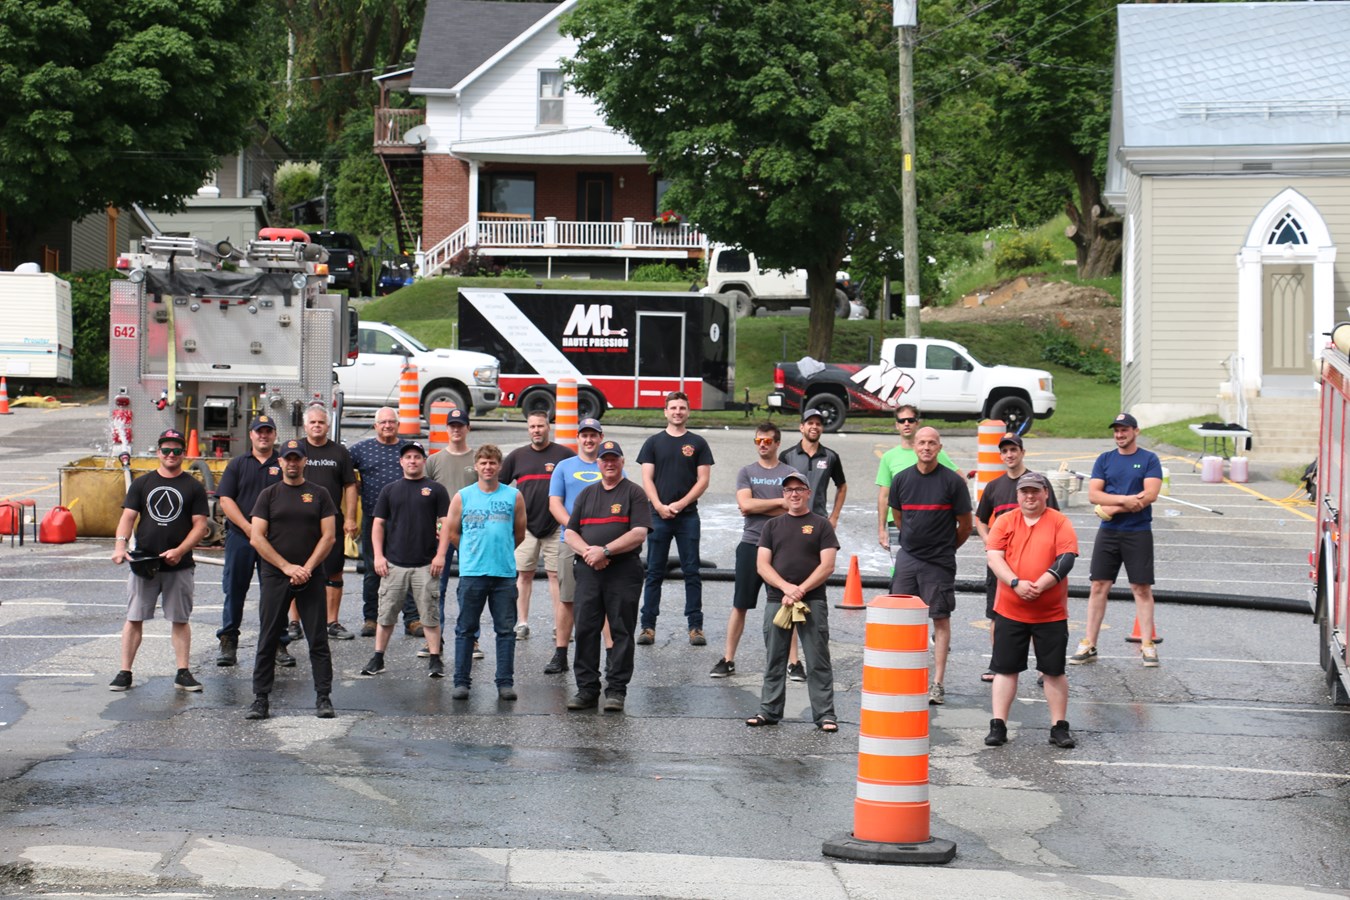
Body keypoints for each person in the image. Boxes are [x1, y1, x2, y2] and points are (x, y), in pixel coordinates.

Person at [108, 428, 210, 692]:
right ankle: (124, 672)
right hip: (145, 563)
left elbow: (200, 526)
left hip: (180, 565)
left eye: (177, 450)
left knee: (180, 619)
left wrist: (180, 550)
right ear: (158, 452)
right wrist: (120, 546)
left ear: (184, 454)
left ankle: (183, 672)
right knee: (134, 617)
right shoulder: (142, 484)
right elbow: (128, 518)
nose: (171, 455)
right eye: (166, 450)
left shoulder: (193, 486)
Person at [984, 471, 1080, 749]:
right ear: (1017, 495)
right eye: (1024, 492)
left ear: (1045, 493)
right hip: (1010, 610)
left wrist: (1039, 585)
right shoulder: (1005, 521)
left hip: (1050, 614)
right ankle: (998, 725)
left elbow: (1066, 559)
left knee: (1053, 671)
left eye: (1035, 491)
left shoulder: (1060, 522)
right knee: (1004, 670)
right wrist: (1015, 583)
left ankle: (1058, 727)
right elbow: (994, 556)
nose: (1030, 496)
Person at [245, 439, 338, 720]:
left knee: (317, 638)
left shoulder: (320, 494)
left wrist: (306, 568)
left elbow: (329, 536)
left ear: (305, 461)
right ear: (280, 462)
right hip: (276, 574)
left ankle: (324, 697)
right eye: (288, 458)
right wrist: (286, 567)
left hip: (310, 575)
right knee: (268, 636)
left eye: (298, 458)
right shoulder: (269, 495)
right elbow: (256, 537)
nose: (293, 463)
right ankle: (260, 699)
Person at [744, 471, 840, 732]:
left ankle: (825, 715)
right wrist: (786, 588)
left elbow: (828, 565)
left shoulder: (821, 525)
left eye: (799, 489)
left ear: (808, 493)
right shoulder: (772, 526)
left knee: (817, 658)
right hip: (779, 600)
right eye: (788, 490)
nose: (794, 494)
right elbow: (762, 565)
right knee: (775, 658)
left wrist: (801, 589)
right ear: (783, 495)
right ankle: (769, 710)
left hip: (813, 601)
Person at [564, 439, 652, 712]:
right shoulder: (587, 494)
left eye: (614, 459)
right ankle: (587, 689)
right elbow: (569, 532)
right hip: (589, 571)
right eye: (605, 459)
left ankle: (616, 690)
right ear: (598, 463)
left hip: (623, 571)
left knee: (621, 630)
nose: (609, 463)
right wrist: (590, 554)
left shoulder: (634, 493)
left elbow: (639, 533)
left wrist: (606, 551)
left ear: (622, 462)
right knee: (586, 629)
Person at [888, 426, 973, 705]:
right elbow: (899, 518)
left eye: (932, 443)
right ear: (914, 446)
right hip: (908, 558)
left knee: (940, 617)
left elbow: (965, 525)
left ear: (940, 447)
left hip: (939, 560)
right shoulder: (901, 480)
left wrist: (946, 548)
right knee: (900, 618)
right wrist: (913, 544)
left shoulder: (953, 482)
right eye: (921, 442)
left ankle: (937, 683)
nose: (926, 447)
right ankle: (902, 676)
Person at [1072, 413, 1164, 668]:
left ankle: (1147, 644)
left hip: (1138, 531)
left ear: (1136, 431)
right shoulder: (1105, 460)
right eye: (1116, 431)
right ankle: (1089, 642)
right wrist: (1124, 501)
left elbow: (1150, 495)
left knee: (1141, 588)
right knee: (1098, 586)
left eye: (1124, 430)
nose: (1120, 435)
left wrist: (1111, 507)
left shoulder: (1149, 459)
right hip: (1109, 533)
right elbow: (1093, 495)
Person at [709, 423, 797, 678]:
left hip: (783, 545)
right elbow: (745, 505)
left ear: (777, 443)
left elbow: (792, 508)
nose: (762, 445)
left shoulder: (790, 473)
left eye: (768, 441)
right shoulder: (746, 471)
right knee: (740, 604)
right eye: (759, 440)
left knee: (788, 603)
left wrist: (763, 505)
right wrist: (778, 502)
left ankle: (793, 662)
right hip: (751, 543)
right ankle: (728, 659)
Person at [361, 441, 452, 678]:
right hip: (394, 565)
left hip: (425, 565)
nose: (412, 461)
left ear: (424, 461)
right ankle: (378, 658)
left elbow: (445, 524)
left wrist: (441, 555)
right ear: (401, 462)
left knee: (430, 616)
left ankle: (435, 659)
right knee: (386, 615)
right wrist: (379, 556)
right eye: (408, 457)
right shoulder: (389, 490)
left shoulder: (436, 490)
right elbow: (378, 524)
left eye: (417, 457)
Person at [974, 433, 1058, 683]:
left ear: (1022, 452)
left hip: (1033, 562)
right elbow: (979, 518)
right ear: (1000, 455)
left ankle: (1045, 668)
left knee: (1038, 617)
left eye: (1013, 449)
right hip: (1001, 565)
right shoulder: (994, 486)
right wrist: (988, 541)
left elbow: (1053, 516)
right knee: (997, 614)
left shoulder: (1037, 483)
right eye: (1005, 451)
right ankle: (997, 664)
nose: (1009, 455)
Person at [447, 445, 527, 701]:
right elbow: (452, 532)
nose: (488, 467)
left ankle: (505, 682)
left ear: (500, 466)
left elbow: (520, 533)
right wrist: (471, 553)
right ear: (476, 466)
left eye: (492, 463)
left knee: (505, 631)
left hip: (503, 574)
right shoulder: (463, 496)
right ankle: (461, 682)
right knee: (466, 629)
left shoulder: (514, 496)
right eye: (483, 463)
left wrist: (500, 551)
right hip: (472, 573)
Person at [637, 390, 714, 646]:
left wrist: (680, 504)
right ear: (665, 412)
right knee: (654, 572)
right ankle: (648, 627)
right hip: (657, 516)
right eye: (673, 408)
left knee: (692, 572)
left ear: (688, 412)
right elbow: (647, 478)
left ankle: (696, 627)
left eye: (682, 408)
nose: (677, 412)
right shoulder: (653, 443)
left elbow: (703, 480)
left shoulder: (699, 443)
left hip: (687, 517)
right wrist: (658, 505)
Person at [778, 406, 848, 682]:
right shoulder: (788, 456)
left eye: (818, 423)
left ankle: (814, 655)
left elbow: (842, 486)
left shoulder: (830, 456)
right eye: (810, 423)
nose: (814, 427)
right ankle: (793, 660)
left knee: (814, 591)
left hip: (818, 529)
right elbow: (778, 487)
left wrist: (834, 516)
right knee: (791, 589)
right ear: (801, 427)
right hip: (791, 528)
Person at [546, 416, 613, 675]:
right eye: (584, 435)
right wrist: (574, 532)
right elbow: (555, 504)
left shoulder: (610, 465)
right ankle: (561, 653)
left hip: (603, 544)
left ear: (600, 437)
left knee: (606, 601)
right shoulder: (564, 467)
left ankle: (610, 654)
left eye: (593, 435)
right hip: (570, 543)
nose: (588, 439)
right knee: (568, 599)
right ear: (578, 438)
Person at [499, 411, 574, 640]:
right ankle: (521, 623)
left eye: (540, 426)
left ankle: (559, 626)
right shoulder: (517, 456)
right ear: (528, 428)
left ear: (548, 427)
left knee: (555, 576)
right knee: (524, 575)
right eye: (532, 427)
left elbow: (576, 484)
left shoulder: (564, 455)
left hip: (555, 527)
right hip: (525, 528)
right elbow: (500, 486)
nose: (536, 430)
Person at [215, 415, 281, 668]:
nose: (263, 436)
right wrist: (247, 527)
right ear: (251, 435)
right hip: (241, 538)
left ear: (274, 435)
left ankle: (278, 642)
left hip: (274, 541)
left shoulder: (284, 463)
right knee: (234, 590)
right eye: (259, 432)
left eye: (268, 431)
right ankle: (229, 640)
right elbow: (225, 500)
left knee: (275, 593)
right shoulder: (238, 464)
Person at [350, 407, 420, 639]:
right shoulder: (361, 449)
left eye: (392, 422)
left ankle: (412, 619)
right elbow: (342, 470)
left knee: (409, 568)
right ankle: (371, 618)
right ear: (375, 425)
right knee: (373, 569)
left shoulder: (409, 450)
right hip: (373, 517)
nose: (388, 426)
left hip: (407, 520)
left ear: (398, 425)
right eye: (383, 422)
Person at [300, 404, 359, 641]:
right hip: (299, 522)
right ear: (305, 425)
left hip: (332, 521)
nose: (317, 426)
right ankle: (295, 622)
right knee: (296, 570)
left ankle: (331, 622)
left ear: (328, 425)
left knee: (334, 572)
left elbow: (350, 486)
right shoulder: (294, 449)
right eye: (312, 422)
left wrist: (352, 518)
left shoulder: (340, 453)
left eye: (321, 422)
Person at [875, 404, 959, 551]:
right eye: (902, 421)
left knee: (927, 568)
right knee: (900, 569)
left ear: (917, 423)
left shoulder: (931, 452)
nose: (906, 423)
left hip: (930, 521)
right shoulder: (888, 457)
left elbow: (959, 480)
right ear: (897, 425)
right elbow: (884, 496)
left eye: (910, 420)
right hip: (897, 521)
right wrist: (881, 529)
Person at [425, 407, 476, 629]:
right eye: (452, 426)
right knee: (437, 586)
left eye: (460, 426)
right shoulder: (434, 461)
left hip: (471, 532)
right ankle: (435, 639)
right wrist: (431, 524)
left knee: (470, 587)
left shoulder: (478, 458)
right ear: (446, 429)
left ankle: (470, 638)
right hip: (441, 532)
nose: (456, 430)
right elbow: (424, 497)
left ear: (467, 428)